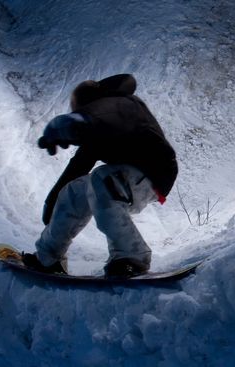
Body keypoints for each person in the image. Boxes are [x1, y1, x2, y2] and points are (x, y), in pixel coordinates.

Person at [22, 74, 178, 278]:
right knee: (75, 190)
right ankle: (48, 257)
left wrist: (80, 120)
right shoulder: (96, 135)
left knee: (102, 178)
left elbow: (107, 113)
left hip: (155, 173)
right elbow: (76, 168)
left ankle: (133, 257)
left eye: (80, 110)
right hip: (124, 179)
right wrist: (53, 201)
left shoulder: (125, 105)